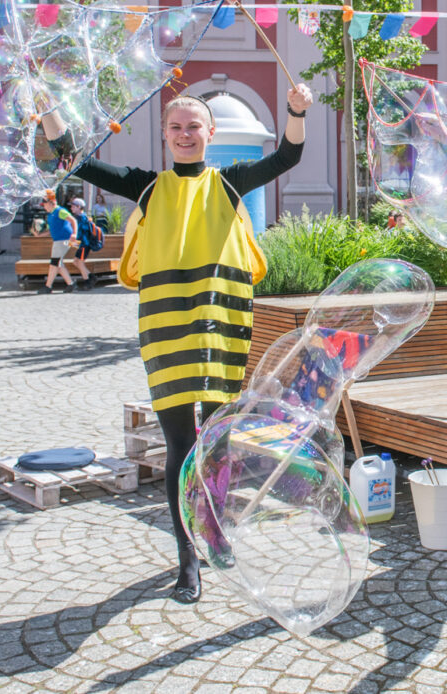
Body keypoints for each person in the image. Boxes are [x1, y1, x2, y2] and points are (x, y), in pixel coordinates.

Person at [46, 84, 313, 603]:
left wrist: (296, 108)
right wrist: (49, 109)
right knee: (180, 447)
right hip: (166, 326)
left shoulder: (230, 183)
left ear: (210, 134)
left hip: (220, 325)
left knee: (217, 445)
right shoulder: (149, 188)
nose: (186, 135)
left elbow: (289, 154)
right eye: (176, 127)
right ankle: (186, 559)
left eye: (195, 127)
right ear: (165, 136)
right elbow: (76, 161)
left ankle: (213, 531)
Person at [33, 192, 78, 294]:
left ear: (51, 203)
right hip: (59, 240)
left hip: (65, 240)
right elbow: (50, 231)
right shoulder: (51, 215)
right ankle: (71, 284)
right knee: (58, 263)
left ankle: (48, 286)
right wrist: (39, 235)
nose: (43, 206)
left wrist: (75, 234)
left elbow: (73, 220)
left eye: (44, 204)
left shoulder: (59, 211)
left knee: (54, 263)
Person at [68, 197, 95, 290]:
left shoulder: (81, 218)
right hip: (82, 245)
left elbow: (79, 234)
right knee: (75, 261)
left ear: (79, 207)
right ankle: (91, 277)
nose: (71, 208)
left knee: (79, 262)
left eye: (73, 206)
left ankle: (87, 282)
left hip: (84, 245)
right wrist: (72, 244)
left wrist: (71, 243)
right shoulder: (81, 218)